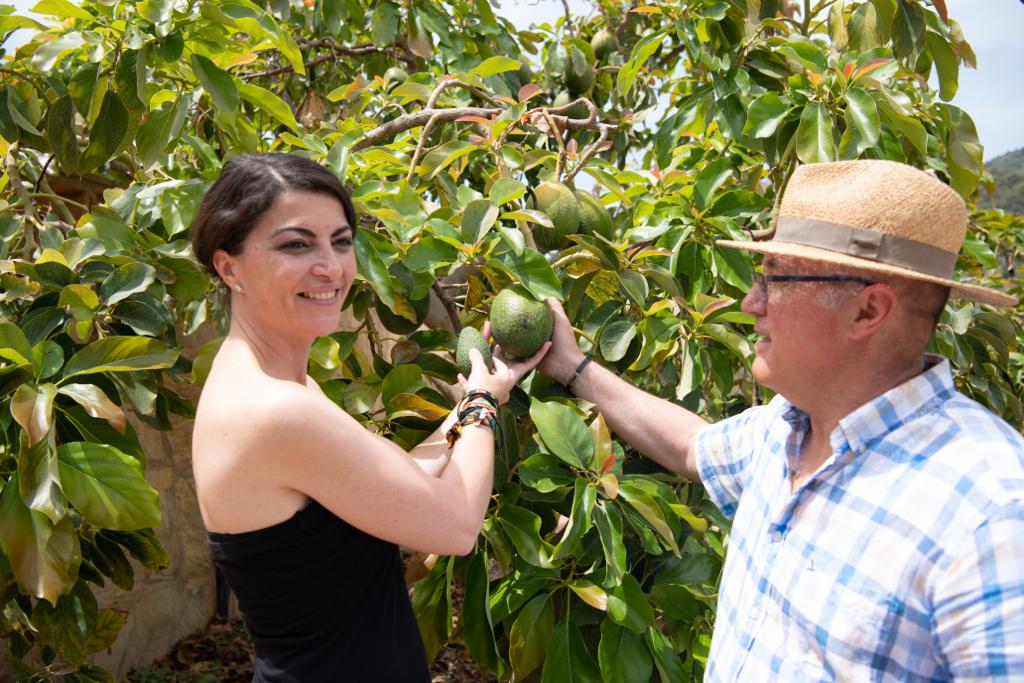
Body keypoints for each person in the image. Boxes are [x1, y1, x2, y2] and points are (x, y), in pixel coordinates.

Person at [536, 160, 1024, 681]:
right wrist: (571, 366)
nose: (750, 303)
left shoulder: (991, 513)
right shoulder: (785, 428)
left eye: (774, 280)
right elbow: (691, 446)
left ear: (867, 311)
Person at [189, 152, 548, 683]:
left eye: (340, 241)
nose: (331, 267)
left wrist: (471, 399)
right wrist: (483, 404)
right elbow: (455, 526)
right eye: (296, 244)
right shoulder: (275, 409)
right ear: (229, 267)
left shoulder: (276, 384)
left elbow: (395, 484)